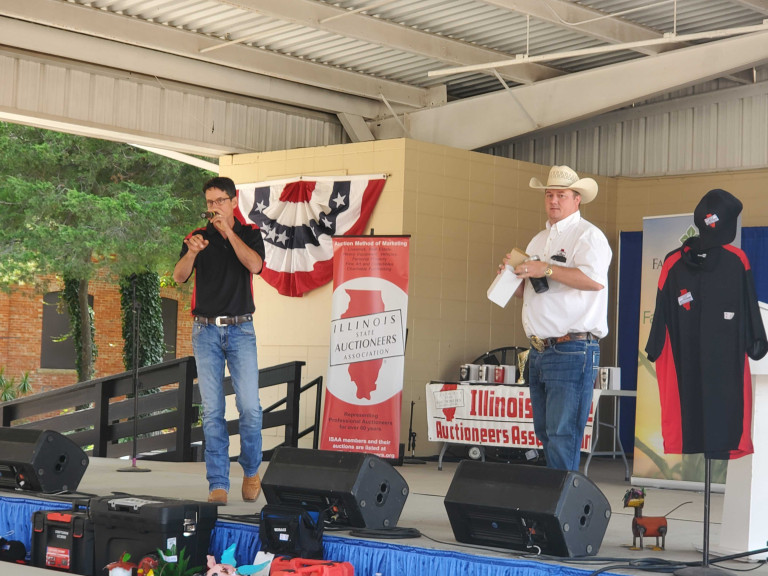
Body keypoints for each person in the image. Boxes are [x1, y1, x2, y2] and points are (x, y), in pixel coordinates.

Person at [501, 165, 612, 471]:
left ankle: (563, 512)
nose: (553, 201)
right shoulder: (539, 240)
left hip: (571, 348)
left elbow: (594, 280)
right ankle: (555, 508)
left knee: (562, 435)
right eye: (549, 194)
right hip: (540, 350)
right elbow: (530, 292)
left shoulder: (588, 236)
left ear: (577, 199)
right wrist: (512, 279)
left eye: (561, 195)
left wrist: (545, 269)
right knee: (547, 434)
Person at [173, 176, 266, 504]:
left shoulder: (250, 233)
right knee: (212, 411)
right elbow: (179, 276)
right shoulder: (196, 237)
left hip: (241, 330)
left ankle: (252, 469)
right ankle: (218, 483)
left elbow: (255, 266)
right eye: (210, 203)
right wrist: (191, 254)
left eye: (220, 202)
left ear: (234, 200)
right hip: (205, 331)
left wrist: (228, 232)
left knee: (250, 409)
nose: (214, 208)